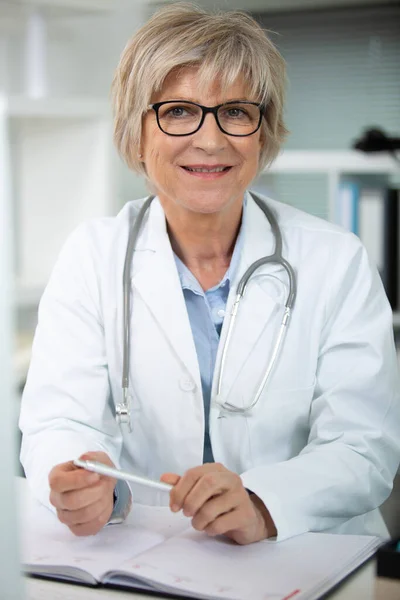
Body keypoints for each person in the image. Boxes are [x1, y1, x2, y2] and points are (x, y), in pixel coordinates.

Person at [20, 3, 400, 545]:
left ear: (262, 133)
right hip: (145, 553)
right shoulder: (91, 257)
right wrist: (82, 481)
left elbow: (364, 445)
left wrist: (265, 503)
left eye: (237, 112)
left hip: (302, 556)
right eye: (178, 111)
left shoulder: (336, 260)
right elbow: (58, 422)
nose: (211, 139)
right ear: (137, 131)